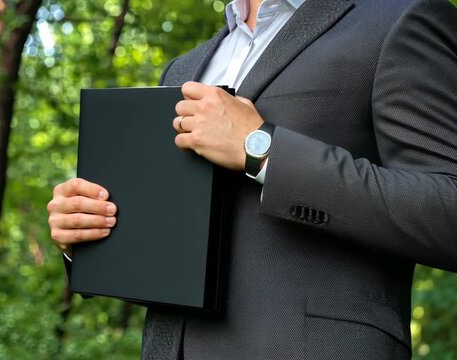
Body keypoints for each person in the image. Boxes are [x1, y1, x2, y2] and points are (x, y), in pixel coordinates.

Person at [46, 0, 457, 358]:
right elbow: (169, 247)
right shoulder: (186, 67)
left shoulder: (399, 18)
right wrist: (87, 235)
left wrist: (263, 150)